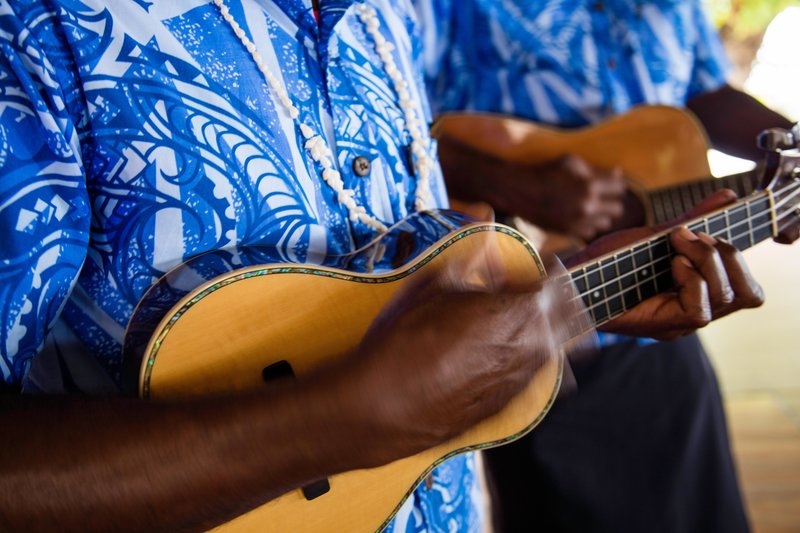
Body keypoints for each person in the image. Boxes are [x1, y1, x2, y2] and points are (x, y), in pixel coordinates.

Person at [0, 1, 768, 531]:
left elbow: (393, 280)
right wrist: (346, 416)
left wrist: (564, 291)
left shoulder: (383, 17)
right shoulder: (39, 28)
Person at [415, 0, 794, 532]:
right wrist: (519, 184)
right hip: (527, 330)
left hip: (662, 320)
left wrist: (790, 151)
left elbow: (704, 90)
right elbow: (398, 127)